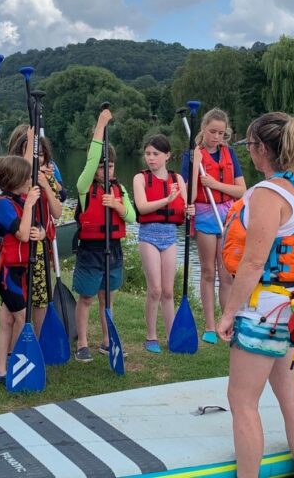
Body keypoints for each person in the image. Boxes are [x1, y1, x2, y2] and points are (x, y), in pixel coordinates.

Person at [215, 113, 294, 478]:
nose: (248, 151)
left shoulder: (268, 195)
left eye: (248, 144)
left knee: (242, 401)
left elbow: (252, 263)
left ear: (262, 148)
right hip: (291, 308)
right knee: (289, 393)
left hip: (263, 310)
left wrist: (228, 313)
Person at [72, 107, 137, 362]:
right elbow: (91, 162)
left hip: (114, 249)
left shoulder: (119, 189)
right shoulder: (84, 189)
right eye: (102, 167)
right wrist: (100, 124)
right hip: (91, 251)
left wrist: (117, 205)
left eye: (109, 167)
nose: (106, 171)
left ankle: (107, 341)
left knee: (106, 298)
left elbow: (131, 217)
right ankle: (83, 344)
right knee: (87, 297)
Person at [182, 108, 246, 344]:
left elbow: (242, 190)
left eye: (221, 133)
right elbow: (188, 195)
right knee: (209, 271)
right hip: (205, 215)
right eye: (212, 132)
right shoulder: (191, 155)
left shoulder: (229, 154)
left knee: (227, 273)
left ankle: (226, 323)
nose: (216, 137)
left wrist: (215, 183)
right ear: (203, 129)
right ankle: (209, 326)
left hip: (228, 217)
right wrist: (196, 165)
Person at [0, 155, 50, 382]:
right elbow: (22, 234)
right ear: (15, 180)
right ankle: (21, 365)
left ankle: (0, 369)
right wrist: (31, 203)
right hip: (6, 272)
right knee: (23, 319)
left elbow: (35, 227)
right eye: (26, 178)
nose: (30, 182)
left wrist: (41, 233)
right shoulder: (3, 204)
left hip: (19, 269)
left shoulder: (20, 201)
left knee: (8, 321)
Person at [131, 135, 193, 353]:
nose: (151, 158)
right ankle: (151, 336)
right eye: (148, 154)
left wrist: (189, 211)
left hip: (170, 236)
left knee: (168, 290)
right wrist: (166, 201)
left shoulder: (178, 179)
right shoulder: (140, 179)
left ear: (167, 156)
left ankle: (171, 336)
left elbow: (185, 209)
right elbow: (142, 207)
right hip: (149, 235)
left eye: (155, 154)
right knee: (155, 289)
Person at [8, 125, 63, 332]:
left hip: (39, 248)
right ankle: (15, 344)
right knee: (16, 301)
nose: (37, 158)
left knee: (40, 300)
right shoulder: (13, 177)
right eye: (32, 153)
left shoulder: (48, 177)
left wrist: (47, 185)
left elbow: (56, 213)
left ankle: (36, 342)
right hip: (17, 251)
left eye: (41, 154)